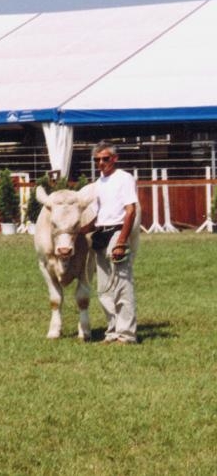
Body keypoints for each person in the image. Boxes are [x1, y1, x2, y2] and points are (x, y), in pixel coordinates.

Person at [84, 141, 139, 344]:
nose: (101, 163)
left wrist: (121, 242)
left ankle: (127, 335)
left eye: (105, 159)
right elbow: (98, 215)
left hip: (118, 231)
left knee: (122, 285)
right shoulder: (98, 184)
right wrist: (77, 230)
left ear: (114, 159)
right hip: (102, 232)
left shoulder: (124, 178)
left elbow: (130, 210)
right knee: (104, 288)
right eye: (97, 160)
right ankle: (113, 331)